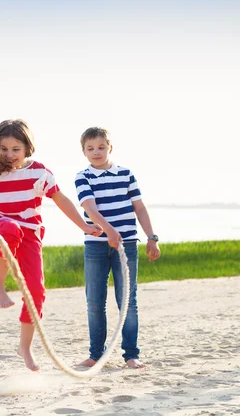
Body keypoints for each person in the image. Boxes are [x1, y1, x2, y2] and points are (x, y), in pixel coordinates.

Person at [0, 119, 102, 371]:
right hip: (1, 227)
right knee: (9, 228)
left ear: (28, 148)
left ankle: (24, 347)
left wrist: (84, 226)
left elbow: (61, 200)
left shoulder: (40, 172)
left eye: (15, 149)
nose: (9, 155)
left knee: (36, 292)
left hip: (31, 236)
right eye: (4, 149)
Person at [74, 127, 161, 369]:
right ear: (83, 151)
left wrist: (151, 237)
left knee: (128, 302)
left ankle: (131, 355)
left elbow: (140, 207)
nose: (96, 152)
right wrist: (109, 230)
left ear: (110, 148)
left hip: (128, 246)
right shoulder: (83, 177)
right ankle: (95, 354)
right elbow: (90, 209)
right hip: (95, 246)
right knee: (94, 302)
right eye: (90, 148)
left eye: (101, 147)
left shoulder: (126, 174)